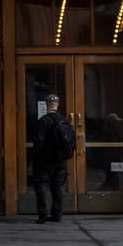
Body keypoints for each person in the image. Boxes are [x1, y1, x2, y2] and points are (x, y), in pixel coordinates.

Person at [32, 93, 69, 223]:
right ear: (58, 104)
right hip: (61, 159)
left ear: (47, 105)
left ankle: (43, 214)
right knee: (57, 186)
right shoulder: (64, 120)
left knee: (41, 185)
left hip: (44, 160)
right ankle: (57, 214)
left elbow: (38, 141)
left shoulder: (43, 121)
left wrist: (36, 157)